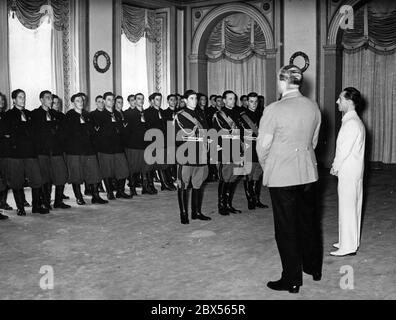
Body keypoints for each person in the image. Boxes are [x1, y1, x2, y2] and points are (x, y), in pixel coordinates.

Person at [257, 65, 322, 293]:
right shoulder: (313, 106)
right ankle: (314, 268)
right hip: (308, 174)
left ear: (282, 82)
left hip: (282, 176)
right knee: (308, 222)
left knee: (286, 228)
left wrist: (269, 168)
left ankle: (291, 279)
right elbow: (313, 142)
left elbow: (262, 147)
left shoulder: (274, 109)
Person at [330, 87, 366, 257]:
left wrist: (335, 166)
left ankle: (348, 247)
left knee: (347, 207)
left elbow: (343, 150)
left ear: (349, 102)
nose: (338, 102)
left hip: (348, 170)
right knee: (352, 206)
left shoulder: (351, 123)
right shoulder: (353, 121)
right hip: (354, 171)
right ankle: (349, 241)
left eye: (340, 99)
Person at [4, 89, 49, 216]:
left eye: (24, 97)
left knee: (36, 179)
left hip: (30, 153)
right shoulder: (8, 115)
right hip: (15, 155)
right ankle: (20, 208)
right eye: (19, 97)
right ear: (14, 100)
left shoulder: (30, 114)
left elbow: (35, 133)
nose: (22, 99)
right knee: (16, 181)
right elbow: (7, 134)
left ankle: (36, 206)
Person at [61, 93, 107, 205]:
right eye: (77, 101)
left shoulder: (88, 115)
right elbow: (66, 134)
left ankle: (96, 196)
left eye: (81, 101)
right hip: (75, 151)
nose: (80, 103)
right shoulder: (69, 115)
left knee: (94, 173)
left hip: (89, 150)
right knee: (76, 175)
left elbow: (93, 131)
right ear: (73, 103)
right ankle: (78, 197)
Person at [174, 90, 212, 224]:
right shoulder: (179, 115)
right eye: (191, 98)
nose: (194, 101)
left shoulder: (201, 114)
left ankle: (196, 212)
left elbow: (207, 133)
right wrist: (187, 137)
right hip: (186, 154)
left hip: (200, 153)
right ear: (185, 100)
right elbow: (175, 137)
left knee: (198, 183)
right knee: (183, 184)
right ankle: (183, 213)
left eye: (196, 98)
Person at [31, 91, 71, 210]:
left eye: (51, 98)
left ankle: (58, 201)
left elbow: (64, 131)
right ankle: (45, 203)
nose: (50, 100)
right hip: (43, 152)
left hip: (56, 151)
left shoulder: (56, 114)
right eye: (47, 98)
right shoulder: (35, 114)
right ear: (41, 100)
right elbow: (34, 133)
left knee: (61, 175)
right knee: (45, 178)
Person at [92, 92, 131, 200]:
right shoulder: (99, 115)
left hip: (118, 147)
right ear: (104, 101)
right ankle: (110, 192)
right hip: (105, 148)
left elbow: (123, 129)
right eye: (109, 99)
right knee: (107, 171)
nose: (112, 102)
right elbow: (98, 132)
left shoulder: (118, 114)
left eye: (113, 100)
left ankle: (120, 191)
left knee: (123, 170)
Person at [213, 90, 243, 216]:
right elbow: (217, 132)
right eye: (230, 99)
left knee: (233, 178)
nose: (233, 101)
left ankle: (229, 204)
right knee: (225, 178)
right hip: (225, 148)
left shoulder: (237, 113)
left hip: (236, 148)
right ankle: (221, 205)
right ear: (224, 100)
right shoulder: (218, 115)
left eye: (234, 99)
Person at [239, 92, 268, 210]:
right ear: (247, 102)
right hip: (248, 146)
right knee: (248, 175)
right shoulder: (242, 115)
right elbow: (240, 133)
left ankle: (256, 199)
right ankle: (250, 200)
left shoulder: (262, 115)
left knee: (257, 174)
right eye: (251, 101)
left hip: (259, 147)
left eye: (256, 101)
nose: (254, 104)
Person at [0, 93, 11, 218]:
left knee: (4, 179)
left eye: (2, 100)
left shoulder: (5, 115)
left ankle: (3, 203)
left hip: (5, 153)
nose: (1, 102)